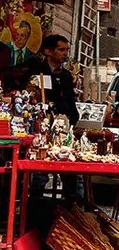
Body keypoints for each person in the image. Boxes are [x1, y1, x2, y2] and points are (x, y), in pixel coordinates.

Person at [23, 35, 81, 200]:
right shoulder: (36, 72)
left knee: (69, 169)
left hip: (63, 125)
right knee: (40, 170)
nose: (65, 54)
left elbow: (70, 102)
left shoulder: (66, 76)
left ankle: (71, 208)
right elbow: (31, 96)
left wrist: (72, 119)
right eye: (61, 49)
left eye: (66, 50)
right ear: (48, 51)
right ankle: (35, 206)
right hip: (42, 125)